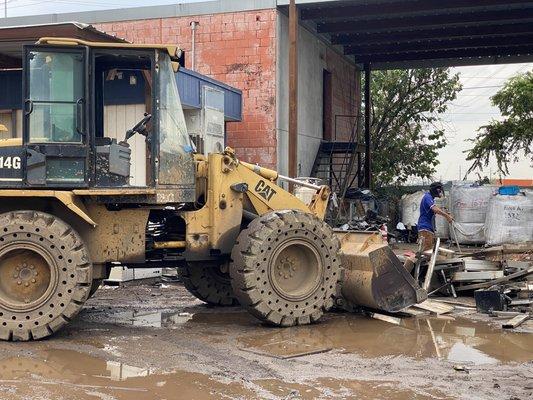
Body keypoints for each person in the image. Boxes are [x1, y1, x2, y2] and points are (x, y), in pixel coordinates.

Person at [417, 182, 453, 251]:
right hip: (425, 228)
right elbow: (435, 209)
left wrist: (446, 213)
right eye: (439, 191)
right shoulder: (427, 197)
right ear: (435, 190)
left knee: (427, 250)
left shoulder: (430, 198)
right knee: (426, 251)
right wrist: (447, 216)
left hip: (428, 228)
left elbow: (435, 208)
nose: (441, 193)